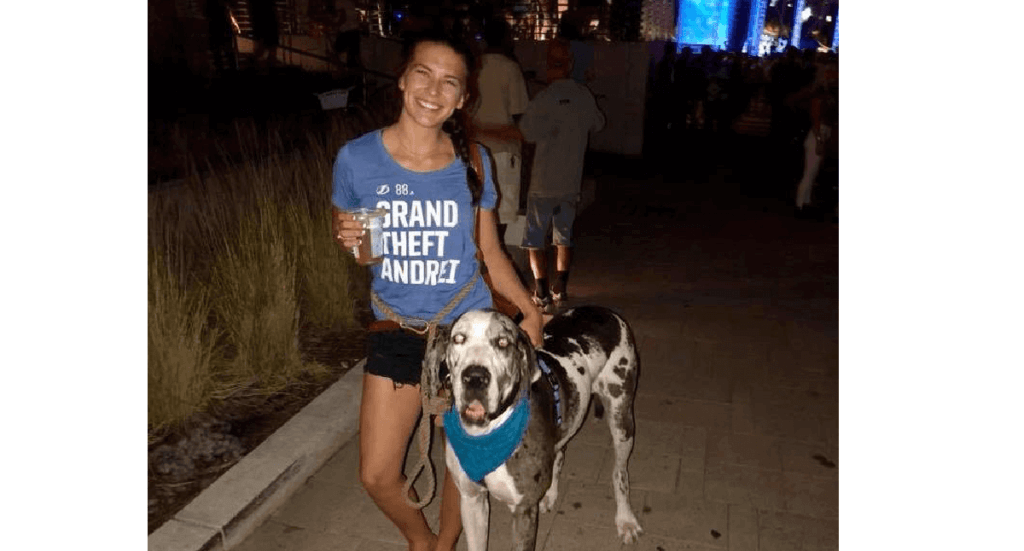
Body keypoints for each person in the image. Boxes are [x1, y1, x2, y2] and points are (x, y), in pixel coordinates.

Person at [331, 28, 545, 551]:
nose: (434, 90)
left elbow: (490, 253)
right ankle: (420, 539)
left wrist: (528, 311)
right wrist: (350, 239)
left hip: (465, 330)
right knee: (377, 473)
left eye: (450, 81)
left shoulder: (472, 162)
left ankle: (445, 545)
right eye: (423, 73)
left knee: (462, 463)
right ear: (403, 80)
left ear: (462, 97)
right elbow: (366, 250)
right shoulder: (357, 158)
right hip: (397, 328)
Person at [519, 38, 605, 310]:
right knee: (563, 237)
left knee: (535, 239)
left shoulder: (542, 99)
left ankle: (541, 290)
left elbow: (527, 133)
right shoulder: (583, 96)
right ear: (569, 65)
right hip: (570, 181)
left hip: (543, 181)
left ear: (548, 66)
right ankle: (561, 287)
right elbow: (598, 124)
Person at [472, 18, 530, 243]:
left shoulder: (474, 66)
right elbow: (520, 112)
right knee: (501, 214)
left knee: (477, 211)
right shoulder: (510, 68)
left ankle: (481, 263)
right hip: (503, 151)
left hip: (474, 149)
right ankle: (494, 264)